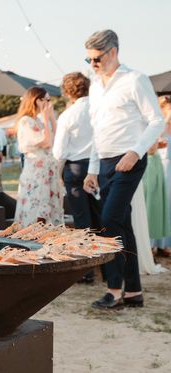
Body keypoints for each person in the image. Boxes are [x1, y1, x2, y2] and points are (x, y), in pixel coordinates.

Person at [82, 29, 165, 310]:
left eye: (96, 58)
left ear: (113, 52)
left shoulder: (134, 80)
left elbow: (156, 121)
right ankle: (134, 293)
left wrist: (135, 152)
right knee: (121, 224)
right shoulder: (94, 86)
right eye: (88, 59)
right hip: (104, 162)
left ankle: (114, 290)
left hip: (129, 159)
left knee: (107, 222)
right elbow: (97, 131)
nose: (92, 64)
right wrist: (92, 170)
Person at [52, 72, 100, 283]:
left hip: (76, 169)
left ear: (67, 91)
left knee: (82, 219)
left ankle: (86, 271)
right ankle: (107, 268)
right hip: (98, 167)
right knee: (100, 216)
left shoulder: (68, 115)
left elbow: (59, 152)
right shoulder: (99, 108)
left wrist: (60, 173)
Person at [14, 86, 64, 226]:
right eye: (46, 100)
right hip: (36, 171)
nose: (49, 103)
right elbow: (46, 142)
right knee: (36, 209)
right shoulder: (26, 121)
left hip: (48, 171)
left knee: (51, 210)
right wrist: (47, 118)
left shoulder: (41, 121)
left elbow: (57, 138)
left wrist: (51, 118)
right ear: (36, 100)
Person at [153, 95, 171, 256]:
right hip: (162, 167)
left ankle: (165, 244)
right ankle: (156, 244)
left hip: (167, 166)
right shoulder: (159, 124)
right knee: (160, 202)